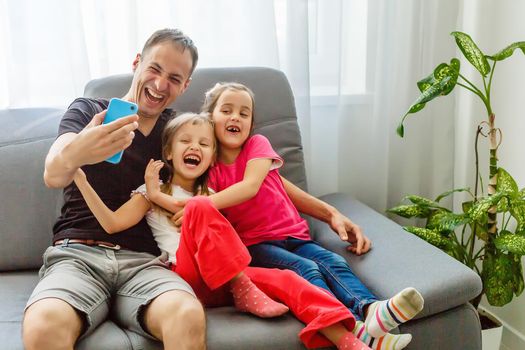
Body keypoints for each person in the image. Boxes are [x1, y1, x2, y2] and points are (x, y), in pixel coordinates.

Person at [74, 111, 411, 350]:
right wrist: (82, 181)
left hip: (230, 277)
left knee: (290, 280)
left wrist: (328, 213)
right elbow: (113, 224)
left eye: (205, 144)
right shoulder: (151, 191)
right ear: (168, 152)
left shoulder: (215, 192)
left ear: (212, 158)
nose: (195, 148)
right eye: (186, 141)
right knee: (203, 208)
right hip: (187, 277)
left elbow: (267, 186)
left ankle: (354, 337)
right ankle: (243, 286)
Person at [196, 82, 425, 340]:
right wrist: (199, 203)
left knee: (334, 262)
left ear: (251, 124)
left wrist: (332, 214)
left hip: (295, 235)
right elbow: (217, 209)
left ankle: (370, 308)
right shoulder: (210, 170)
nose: (235, 116)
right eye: (226, 110)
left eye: (244, 113)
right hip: (256, 245)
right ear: (209, 118)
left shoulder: (257, 147)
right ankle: (350, 325)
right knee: (306, 268)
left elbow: (261, 185)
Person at [23, 29, 206, 350]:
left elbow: (222, 171)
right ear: (137, 62)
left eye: (175, 78)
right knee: (43, 325)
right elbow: (53, 173)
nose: (161, 84)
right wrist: (81, 149)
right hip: (78, 254)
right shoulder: (89, 111)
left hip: (145, 262)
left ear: (185, 86)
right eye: (154, 69)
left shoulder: (177, 132)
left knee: (187, 315)